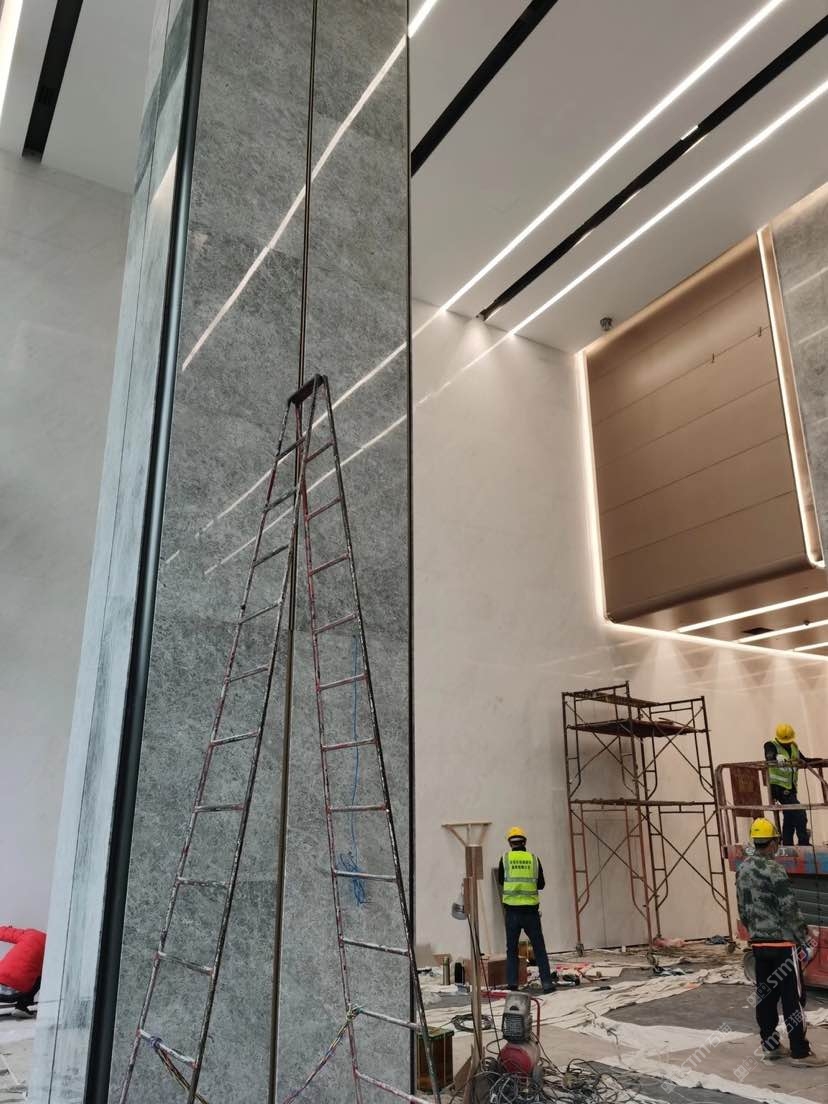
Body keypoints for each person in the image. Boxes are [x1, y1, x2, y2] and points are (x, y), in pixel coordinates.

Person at [736, 818, 825, 1067]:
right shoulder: (774, 869)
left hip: (759, 944)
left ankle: (770, 1045)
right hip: (783, 945)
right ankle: (800, 1052)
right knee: (792, 997)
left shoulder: (743, 869)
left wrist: (754, 931)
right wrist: (803, 933)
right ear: (773, 842)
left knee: (765, 995)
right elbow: (788, 907)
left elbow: (742, 906)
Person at [497, 827, 555, 994]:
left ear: (510, 843)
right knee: (539, 948)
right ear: (525, 842)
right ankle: (547, 984)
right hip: (531, 912)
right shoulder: (533, 859)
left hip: (512, 912)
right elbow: (541, 884)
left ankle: (512, 984)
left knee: (512, 949)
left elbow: (501, 881)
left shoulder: (505, 859)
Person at [764, 723, 814, 845]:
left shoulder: (793, 746)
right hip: (778, 788)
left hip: (791, 788)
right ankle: (803, 842)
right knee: (799, 812)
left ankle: (787, 844)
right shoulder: (770, 745)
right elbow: (769, 756)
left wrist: (820, 760)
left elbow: (804, 760)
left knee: (789, 817)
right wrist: (776, 756)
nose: (787, 743)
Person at [0, 926, 46, 1010]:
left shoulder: (30, 934)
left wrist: (8, 928)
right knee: (40, 976)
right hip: (18, 993)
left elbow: (4, 933)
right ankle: (22, 1006)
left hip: (1, 985)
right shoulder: (51, 948)